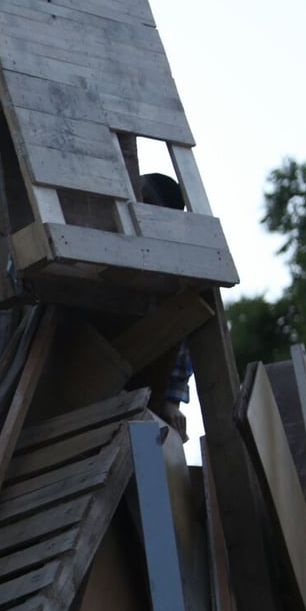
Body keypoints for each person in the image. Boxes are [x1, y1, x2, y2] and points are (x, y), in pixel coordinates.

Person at [140, 172, 194, 441]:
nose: (137, 204)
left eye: (147, 200)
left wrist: (172, 401)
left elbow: (184, 330)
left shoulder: (173, 267)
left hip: (142, 386)